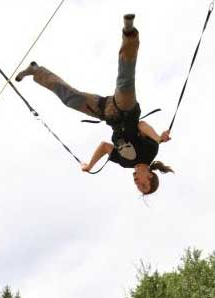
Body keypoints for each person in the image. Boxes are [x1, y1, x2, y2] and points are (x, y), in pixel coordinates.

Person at [16, 14, 174, 195]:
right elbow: (141, 125)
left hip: (105, 111)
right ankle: (129, 34)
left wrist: (90, 165)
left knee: (70, 99)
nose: (138, 185)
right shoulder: (151, 151)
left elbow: (105, 147)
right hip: (126, 108)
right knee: (125, 79)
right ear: (151, 177)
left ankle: (36, 70)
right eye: (143, 186)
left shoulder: (125, 163)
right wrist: (158, 138)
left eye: (138, 188)